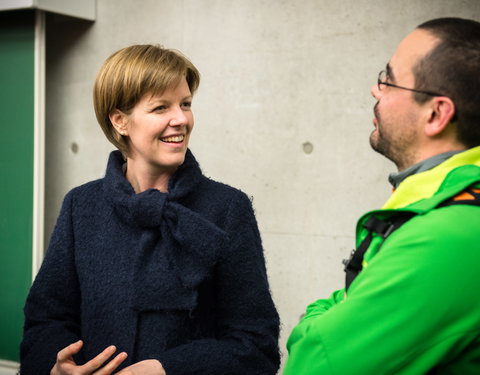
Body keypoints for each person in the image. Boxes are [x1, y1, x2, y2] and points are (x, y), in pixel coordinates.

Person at [20, 44, 280, 375]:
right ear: (120, 121)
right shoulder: (80, 205)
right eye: (161, 108)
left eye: (186, 104)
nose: (181, 119)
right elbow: (46, 321)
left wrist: (166, 369)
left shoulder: (228, 208)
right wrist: (55, 367)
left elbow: (256, 345)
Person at [284, 17, 480, 374]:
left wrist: (309, 324)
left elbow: (312, 363)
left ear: (436, 114)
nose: (376, 91)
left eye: (388, 81)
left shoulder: (446, 237)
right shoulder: (444, 205)